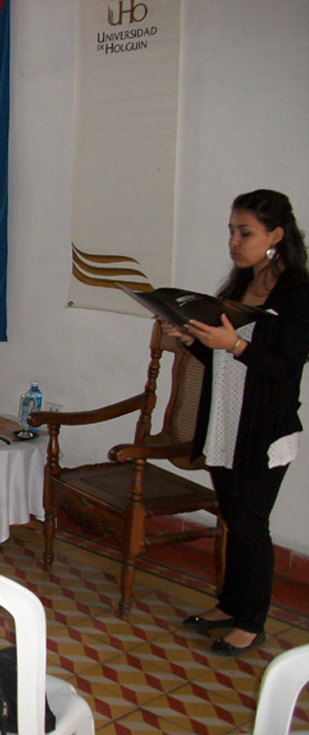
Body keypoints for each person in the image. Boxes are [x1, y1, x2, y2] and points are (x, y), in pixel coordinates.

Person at [163, 190, 309, 656]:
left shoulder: (297, 291)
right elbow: (220, 357)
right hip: (226, 421)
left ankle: (252, 622)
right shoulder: (240, 285)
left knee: (250, 524)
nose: (233, 241)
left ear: (275, 236)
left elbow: (285, 368)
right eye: (231, 231)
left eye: (244, 232)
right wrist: (190, 337)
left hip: (264, 429)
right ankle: (229, 605)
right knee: (233, 519)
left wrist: (236, 345)